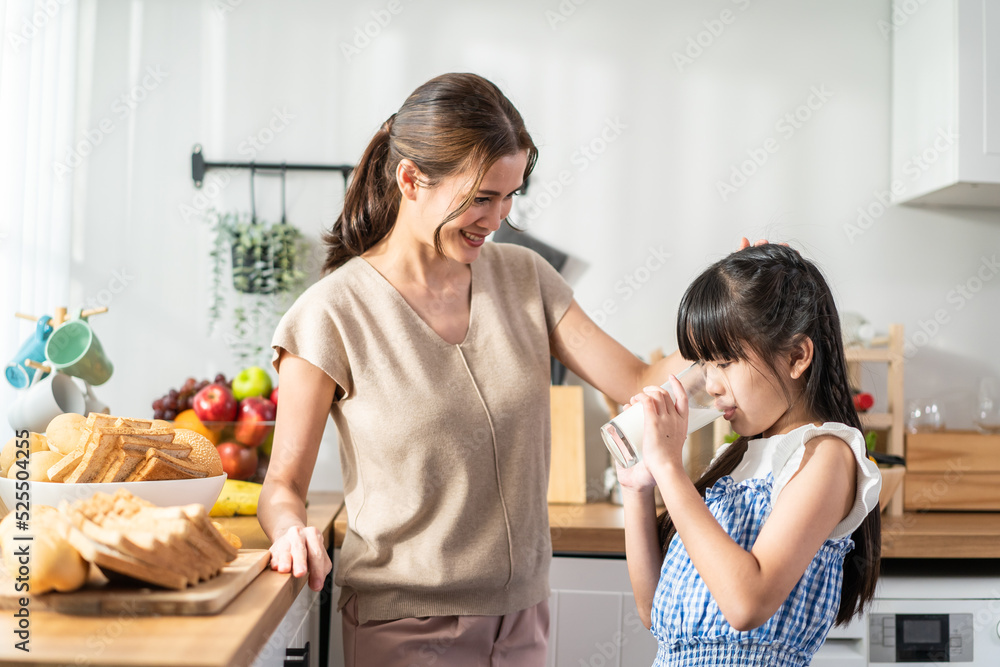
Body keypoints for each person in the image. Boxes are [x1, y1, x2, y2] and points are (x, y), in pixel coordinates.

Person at [257, 72, 691, 666]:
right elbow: (282, 487)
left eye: (512, 196)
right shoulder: (331, 314)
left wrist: (736, 309)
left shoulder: (525, 277)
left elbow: (640, 384)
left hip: (523, 619)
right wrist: (289, 530)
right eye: (483, 197)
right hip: (402, 624)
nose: (499, 217)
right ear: (411, 179)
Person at [617, 243, 882, 667]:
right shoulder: (733, 461)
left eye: (725, 361)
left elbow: (746, 604)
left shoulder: (825, 455)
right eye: (705, 364)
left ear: (797, 356)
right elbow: (653, 611)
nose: (712, 384)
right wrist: (639, 486)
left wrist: (670, 468)